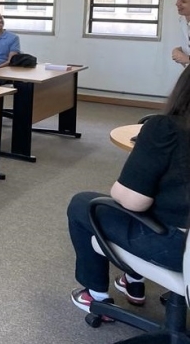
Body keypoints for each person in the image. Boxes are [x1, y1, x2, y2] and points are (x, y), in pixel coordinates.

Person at [67, 66, 190, 314]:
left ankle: (96, 295)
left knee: (84, 203)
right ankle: (132, 281)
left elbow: (132, 201)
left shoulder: (166, 128)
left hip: (177, 247)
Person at [171, 0, 190, 67]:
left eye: (183, 1)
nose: (177, 3)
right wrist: (179, 50)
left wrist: (187, 59)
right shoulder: (182, 21)